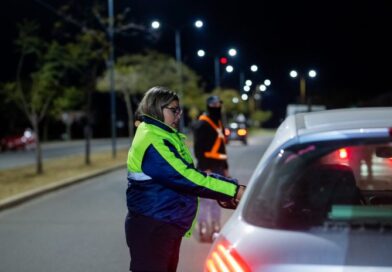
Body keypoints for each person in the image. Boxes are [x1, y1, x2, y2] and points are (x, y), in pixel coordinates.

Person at [124, 86, 246, 272]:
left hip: (163, 222)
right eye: (173, 110)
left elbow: (188, 173)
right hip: (153, 226)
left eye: (179, 110)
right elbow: (184, 176)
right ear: (157, 108)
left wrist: (226, 189)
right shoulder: (152, 139)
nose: (178, 115)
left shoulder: (163, 135)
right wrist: (233, 190)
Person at [192, 95, 229, 242]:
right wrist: (204, 166)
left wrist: (226, 167)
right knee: (205, 200)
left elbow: (222, 148)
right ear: (208, 106)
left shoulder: (219, 123)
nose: (217, 106)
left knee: (218, 199)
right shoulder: (202, 123)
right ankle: (203, 226)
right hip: (205, 167)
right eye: (214, 104)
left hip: (219, 166)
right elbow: (198, 148)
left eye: (219, 104)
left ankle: (215, 226)